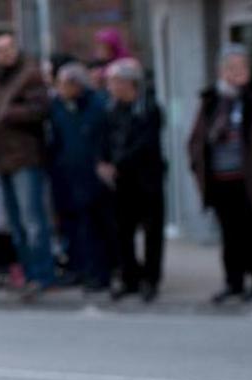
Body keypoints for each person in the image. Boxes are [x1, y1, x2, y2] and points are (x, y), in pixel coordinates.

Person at [188, 44, 252, 303]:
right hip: (221, 180)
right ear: (221, 71)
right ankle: (234, 283)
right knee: (230, 235)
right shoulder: (211, 100)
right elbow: (197, 137)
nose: (235, 72)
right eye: (230, 67)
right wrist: (196, 161)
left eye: (240, 67)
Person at [0, 33, 55, 293]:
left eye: (8, 48)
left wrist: (8, 114)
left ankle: (43, 274)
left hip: (25, 157)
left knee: (32, 220)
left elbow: (41, 110)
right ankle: (28, 274)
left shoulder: (29, 74)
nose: (3, 54)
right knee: (15, 224)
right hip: (3, 159)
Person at [100, 58, 166, 302]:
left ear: (130, 83)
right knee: (122, 232)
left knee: (152, 231)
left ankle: (150, 279)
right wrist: (103, 162)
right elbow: (103, 140)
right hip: (119, 181)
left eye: (115, 81)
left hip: (146, 178)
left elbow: (146, 144)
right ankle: (129, 277)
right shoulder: (110, 109)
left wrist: (118, 164)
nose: (111, 86)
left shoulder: (148, 108)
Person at [48, 62, 112, 292]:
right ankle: (77, 267)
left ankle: (98, 270)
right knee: (71, 224)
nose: (59, 88)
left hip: (91, 174)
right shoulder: (57, 106)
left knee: (94, 225)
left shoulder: (97, 105)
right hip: (65, 174)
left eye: (64, 84)